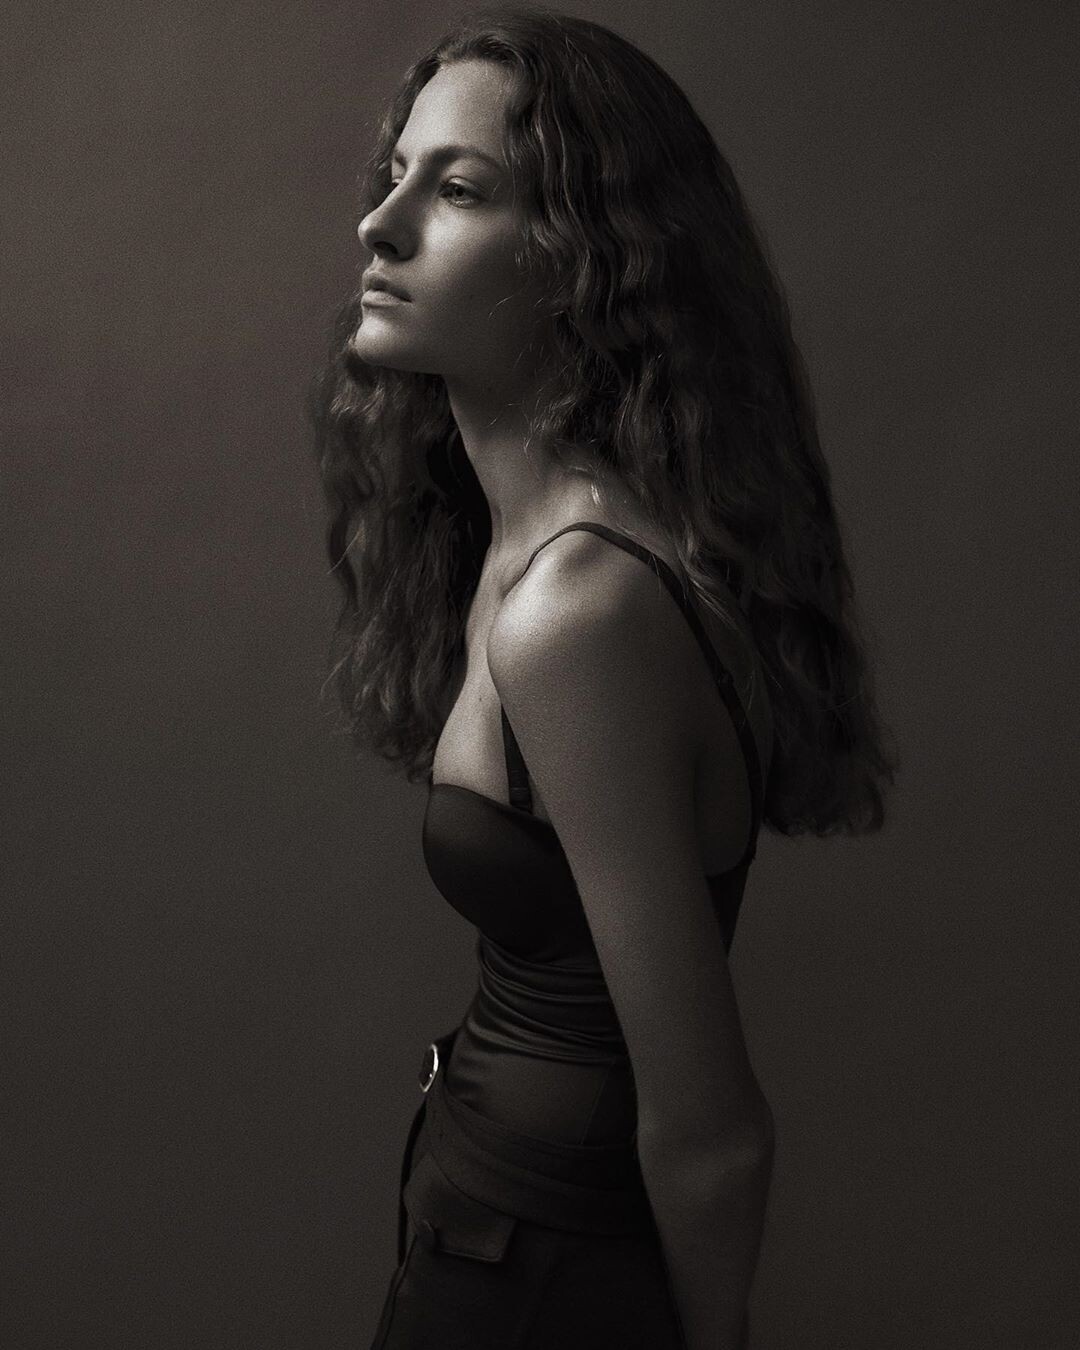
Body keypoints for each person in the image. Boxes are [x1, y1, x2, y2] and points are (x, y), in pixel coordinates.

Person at [309, 6, 899, 1347]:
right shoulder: (518, 548)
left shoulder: (581, 609)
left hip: (548, 1283)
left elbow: (714, 1126)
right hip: (479, 1222)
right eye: (395, 175)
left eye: (459, 189)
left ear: (587, 260)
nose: (380, 226)